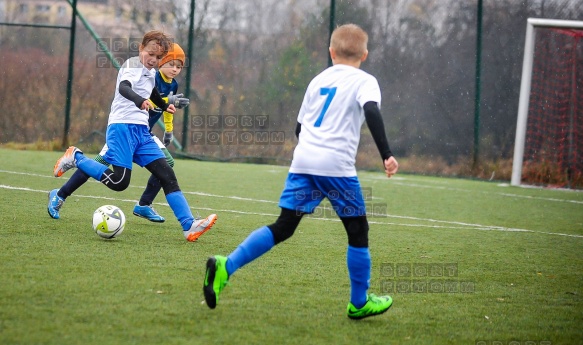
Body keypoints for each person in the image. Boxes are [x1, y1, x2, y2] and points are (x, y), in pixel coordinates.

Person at [202, 24, 399, 319]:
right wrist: (387, 154)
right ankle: (359, 302)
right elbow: (371, 111)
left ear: (331, 52)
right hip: (337, 167)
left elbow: (299, 127)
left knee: (283, 227)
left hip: (304, 160)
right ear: (365, 54)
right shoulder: (365, 80)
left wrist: (311, 155)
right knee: (358, 231)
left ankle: (225, 266)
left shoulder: (317, 81)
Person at [51, 31, 217, 242]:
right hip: (121, 128)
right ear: (141, 48)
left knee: (166, 173)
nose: (154, 60)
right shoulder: (132, 65)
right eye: (151, 54)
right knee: (120, 182)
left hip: (141, 132)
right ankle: (76, 158)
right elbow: (124, 88)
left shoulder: (150, 72)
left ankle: (188, 225)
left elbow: (153, 92)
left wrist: (165, 105)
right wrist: (139, 101)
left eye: (158, 58)